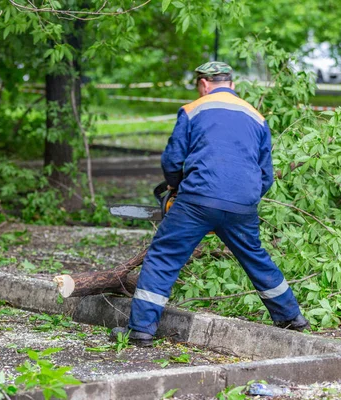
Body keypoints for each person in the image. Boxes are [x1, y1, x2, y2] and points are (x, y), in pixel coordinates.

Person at [110, 61, 309, 346]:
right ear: (232, 84)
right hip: (243, 204)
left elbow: (173, 159)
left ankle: (141, 329)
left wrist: (175, 187)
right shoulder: (257, 117)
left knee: (163, 257)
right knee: (255, 257)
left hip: (197, 201)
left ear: (203, 84)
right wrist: (237, 200)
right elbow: (265, 174)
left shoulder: (193, 110)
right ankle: (291, 316)